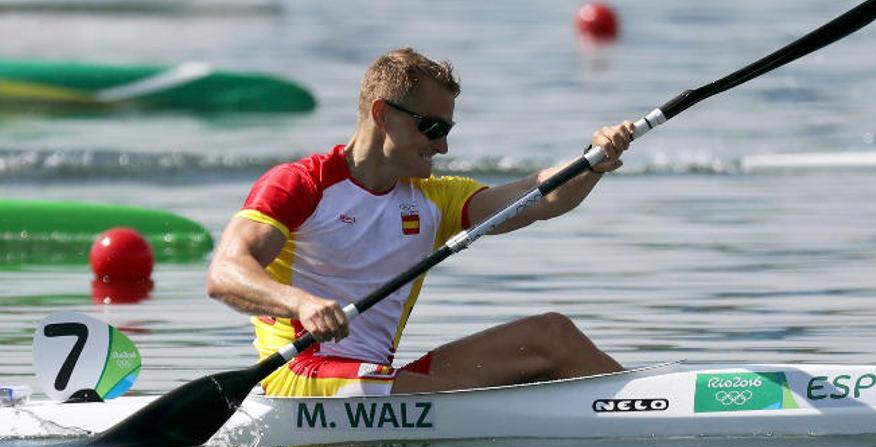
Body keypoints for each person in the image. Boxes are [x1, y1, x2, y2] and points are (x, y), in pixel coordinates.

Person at [207, 47, 634, 397]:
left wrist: (591, 161)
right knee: (450, 400)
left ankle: (641, 404)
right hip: (299, 374)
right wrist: (301, 303)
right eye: (431, 128)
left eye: (448, 128)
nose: (443, 145)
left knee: (550, 335)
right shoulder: (301, 184)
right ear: (381, 114)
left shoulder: (434, 198)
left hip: (377, 378)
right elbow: (225, 274)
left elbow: (541, 197)